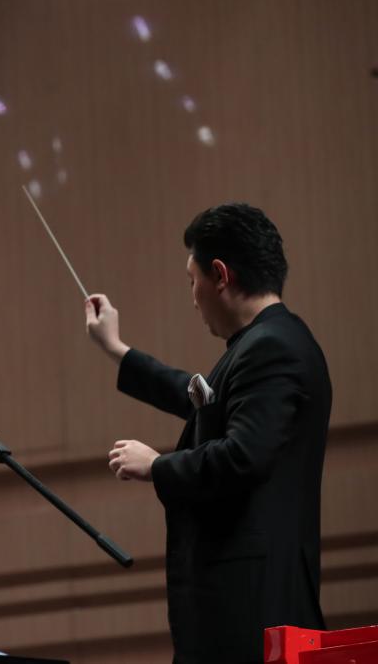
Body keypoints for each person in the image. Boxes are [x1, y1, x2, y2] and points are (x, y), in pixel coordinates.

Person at [85, 203, 329, 663]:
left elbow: (243, 456)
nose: (193, 297)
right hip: (251, 611)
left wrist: (157, 466)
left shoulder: (271, 347)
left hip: (255, 615)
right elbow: (202, 400)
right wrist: (117, 350)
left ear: (220, 275)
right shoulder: (267, 342)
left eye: (191, 280)